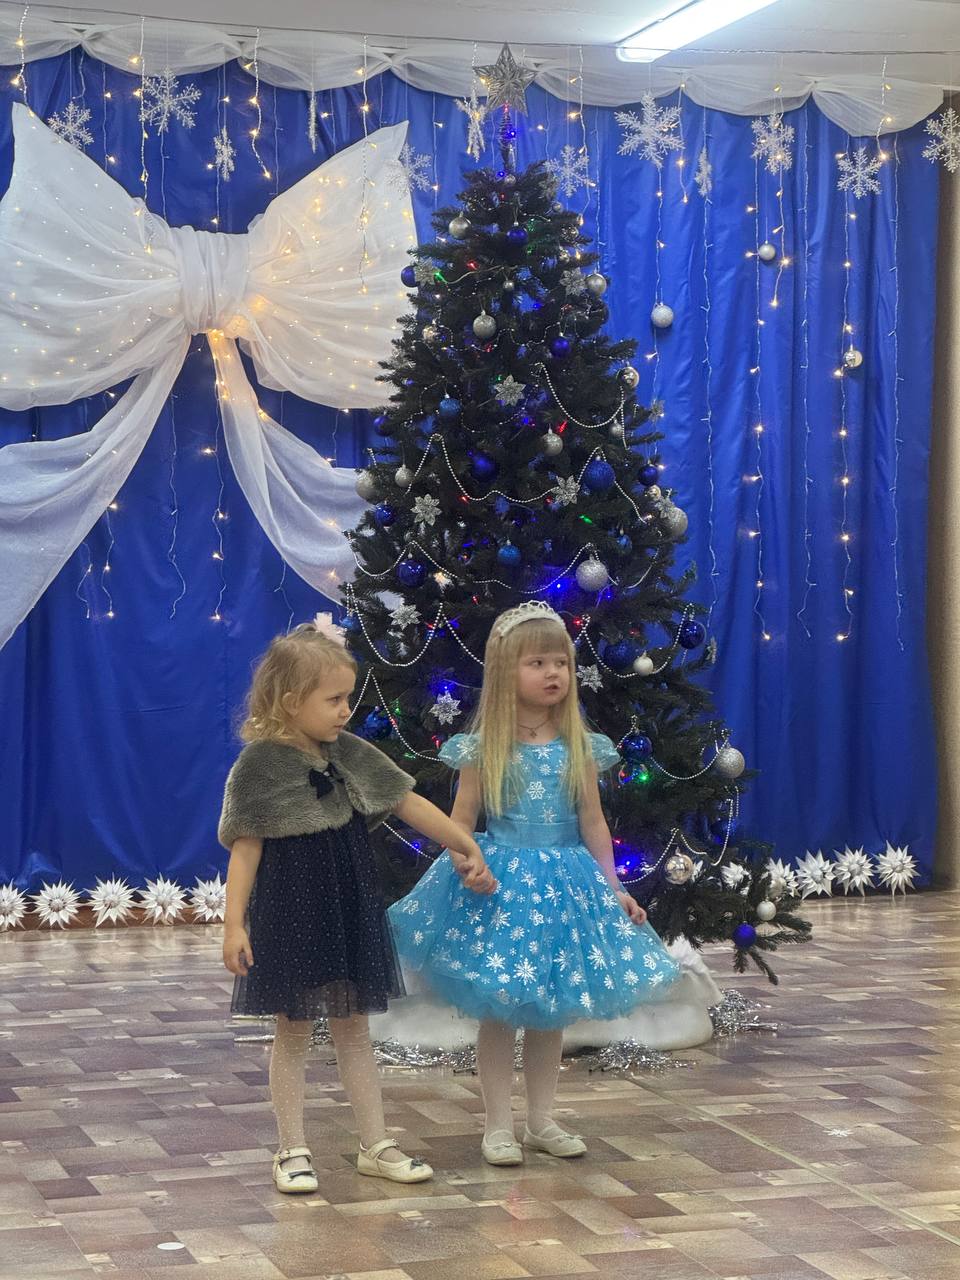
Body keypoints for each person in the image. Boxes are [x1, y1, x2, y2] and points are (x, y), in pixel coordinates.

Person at [389, 600, 680, 1165]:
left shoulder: (579, 746)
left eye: (561, 663)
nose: (554, 674)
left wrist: (614, 887)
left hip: (565, 887)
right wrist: (466, 863)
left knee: (552, 1012)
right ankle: (498, 1125)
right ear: (506, 672)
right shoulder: (483, 748)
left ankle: (541, 1120)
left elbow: (594, 823)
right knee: (500, 1011)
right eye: (538, 663)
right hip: (503, 888)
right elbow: (460, 822)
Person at [219, 617, 496, 1192]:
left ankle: (375, 1142)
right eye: (335, 700)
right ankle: (291, 1149)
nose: (347, 710)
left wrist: (462, 842)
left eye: (349, 698)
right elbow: (245, 850)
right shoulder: (257, 767)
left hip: (348, 908)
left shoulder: (349, 753)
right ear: (291, 702)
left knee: (354, 1029)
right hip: (289, 913)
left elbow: (406, 801)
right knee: (293, 1029)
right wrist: (233, 925)